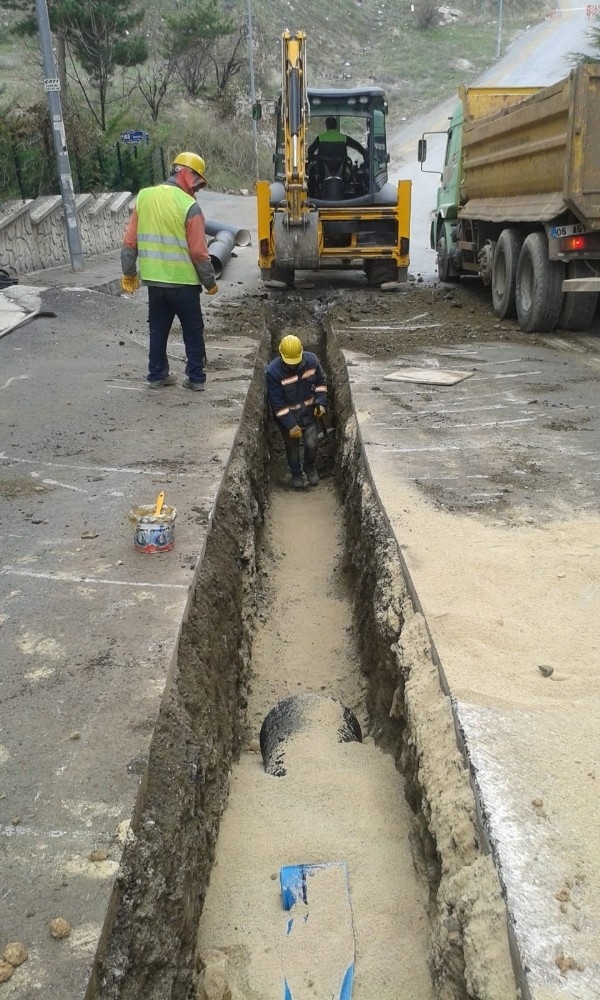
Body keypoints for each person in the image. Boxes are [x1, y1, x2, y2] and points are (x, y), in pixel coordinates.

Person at [120, 151, 218, 390]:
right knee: (193, 330)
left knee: (158, 330)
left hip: (155, 283)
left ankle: (157, 375)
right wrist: (209, 282)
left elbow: (129, 243)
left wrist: (129, 273)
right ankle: (195, 378)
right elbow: (198, 252)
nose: (197, 188)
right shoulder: (189, 206)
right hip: (184, 283)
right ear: (182, 172)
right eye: (196, 180)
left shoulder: (144, 197)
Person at [266, 334, 328, 489]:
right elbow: (277, 402)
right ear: (281, 355)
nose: (293, 366)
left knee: (312, 443)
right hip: (288, 417)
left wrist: (321, 403)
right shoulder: (273, 372)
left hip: (309, 413)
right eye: (289, 364)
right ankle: (296, 473)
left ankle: (309, 467)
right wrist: (290, 425)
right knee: (292, 447)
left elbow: (321, 382)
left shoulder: (312, 361)